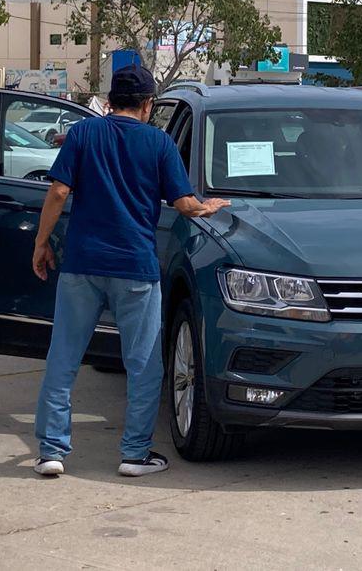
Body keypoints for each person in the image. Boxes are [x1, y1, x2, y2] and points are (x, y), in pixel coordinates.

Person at [30, 66, 229, 478]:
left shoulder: (84, 134)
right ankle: (134, 454)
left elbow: (59, 191)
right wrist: (207, 207)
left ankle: (51, 451)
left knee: (63, 358)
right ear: (147, 105)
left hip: (82, 265)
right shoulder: (158, 142)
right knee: (143, 364)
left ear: (108, 101)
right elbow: (184, 203)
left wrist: (41, 242)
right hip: (136, 268)